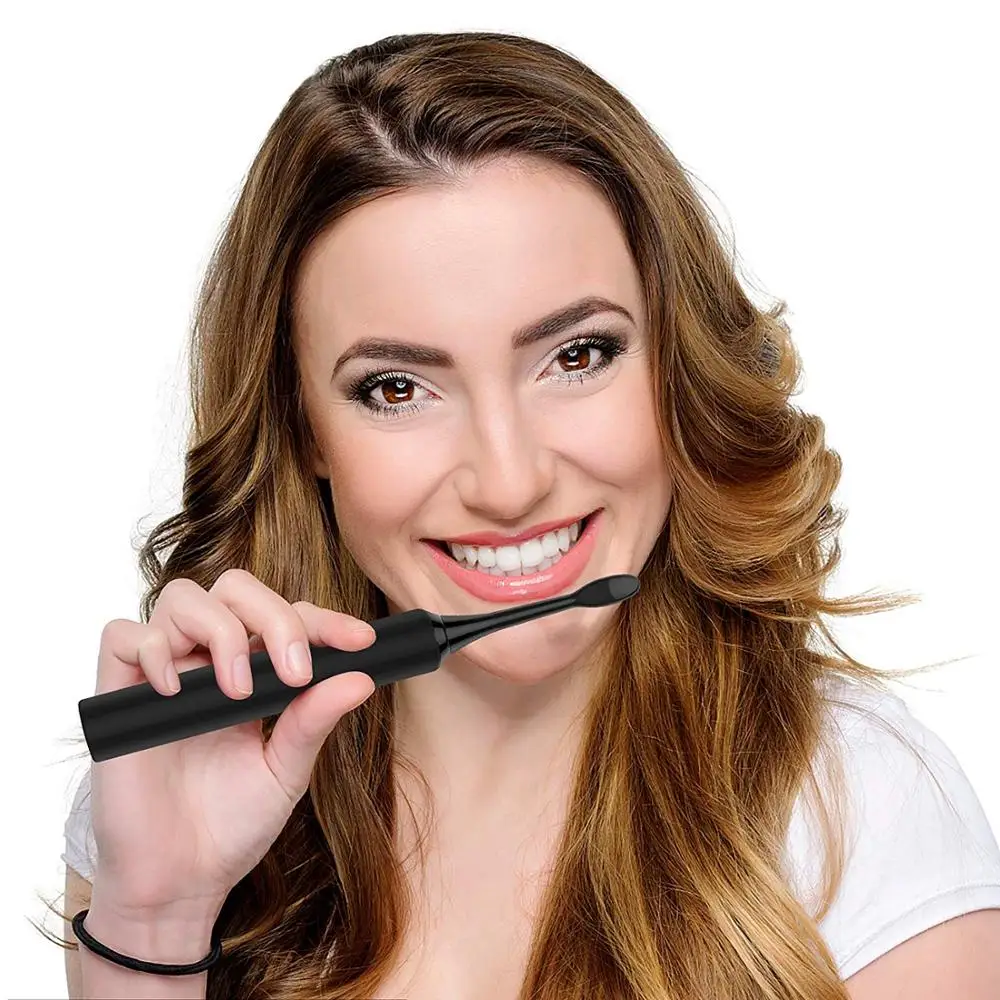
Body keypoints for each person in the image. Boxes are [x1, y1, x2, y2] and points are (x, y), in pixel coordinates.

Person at [42, 30, 1000, 1000]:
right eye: (397, 387)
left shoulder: (856, 806)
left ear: (675, 364)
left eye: (577, 356)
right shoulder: (171, 798)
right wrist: (154, 923)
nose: (507, 482)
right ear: (304, 428)